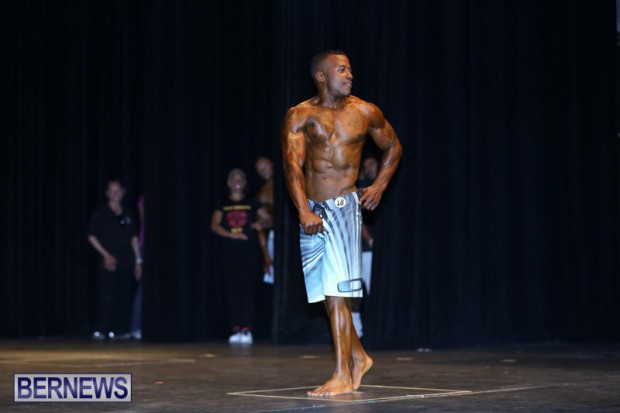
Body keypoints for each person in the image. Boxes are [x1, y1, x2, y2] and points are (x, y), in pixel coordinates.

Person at [281, 50, 402, 396]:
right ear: (321, 77)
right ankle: (359, 357)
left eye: (350, 69)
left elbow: (393, 147)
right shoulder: (300, 115)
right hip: (312, 210)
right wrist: (303, 210)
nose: (349, 74)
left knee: (337, 294)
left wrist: (378, 185)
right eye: (341, 69)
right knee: (327, 294)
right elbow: (292, 165)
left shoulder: (364, 111)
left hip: (343, 207)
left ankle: (342, 374)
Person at [211, 168, 272, 345]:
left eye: (241, 179)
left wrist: (261, 224)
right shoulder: (222, 203)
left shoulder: (252, 202)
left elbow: (269, 219)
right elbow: (214, 225)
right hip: (229, 253)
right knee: (232, 291)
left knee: (247, 290)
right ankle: (235, 328)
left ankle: (247, 329)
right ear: (229, 183)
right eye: (234, 179)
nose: (237, 181)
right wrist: (232, 235)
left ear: (244, 183)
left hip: (248, 253)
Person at [87, 179, 142, 340]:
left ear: (123, 193)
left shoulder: (127, 214)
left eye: (118, 190)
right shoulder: (101, 213)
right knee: (107, 296)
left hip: (127, 261)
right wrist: (105, 255)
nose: (115, 194)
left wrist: (138, 261)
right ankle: (102, 329)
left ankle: (120, 330)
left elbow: (133, 239)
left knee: (123, 296)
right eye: (112, 191)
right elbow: (91, 236)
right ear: (107, 193)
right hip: (109, 261)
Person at [352, 155, 379, 338]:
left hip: (374, 248)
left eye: (372, 164)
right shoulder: (361, 187)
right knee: (355, 290)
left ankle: (373, 329)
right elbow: (356, 216)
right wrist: (369, 239)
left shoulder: (384, 187)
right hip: (362, 248)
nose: (369, 168)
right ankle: (357, 331)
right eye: (366, 165)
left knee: (372, 290)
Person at [255, 156, 275, 284]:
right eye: (259, 170)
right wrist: (266, 256)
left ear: (272, 164)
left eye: (265, 166)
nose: (263, 171)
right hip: (276, 237)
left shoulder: (292, 181)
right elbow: (260, 228)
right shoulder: (262, 195)